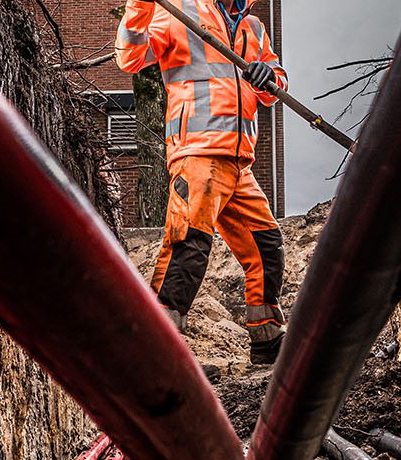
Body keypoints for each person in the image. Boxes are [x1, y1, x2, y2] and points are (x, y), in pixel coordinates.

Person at [115, 0, 287, 364]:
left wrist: (267, 78)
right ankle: (157, 349)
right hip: (198, 151)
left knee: (266, 246)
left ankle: (267, 339)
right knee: (188, 245)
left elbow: (276, 86)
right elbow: (130, 58)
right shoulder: (179, 10)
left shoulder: (253, 27)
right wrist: (139, 6)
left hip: (239, 160)